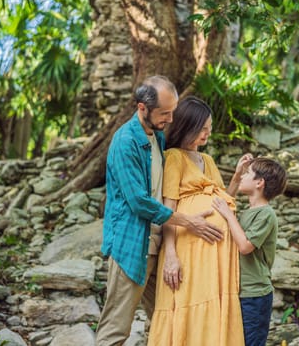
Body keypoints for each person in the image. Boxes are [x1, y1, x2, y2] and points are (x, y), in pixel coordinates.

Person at [96, 76, 225, 346]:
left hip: (160, 248)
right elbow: (138, 201)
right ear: (143, 108)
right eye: (164, 113)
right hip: (131, 245)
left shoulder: (159, 138)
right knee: (116, 329)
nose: (170, 118)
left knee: (170, 322)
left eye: (173, 112)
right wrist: (188, 221)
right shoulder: (125, 142)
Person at [147, 96, 252, 346]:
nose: (207, 133)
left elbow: (224, 200)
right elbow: (168, 209)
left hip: (216, 256)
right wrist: (170, 254)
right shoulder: (173, 157)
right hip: (188, 248)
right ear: (188, 125)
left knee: (214, 305)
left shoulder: (208, 161)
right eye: (203, 128)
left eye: (209, 128)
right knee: (188, 303)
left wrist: (236, 178)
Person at [212, 157, 287, 346]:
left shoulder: (266, 214)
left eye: (248, 173)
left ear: (259, 183)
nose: (243, 176)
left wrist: (229, 215)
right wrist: (238, 173)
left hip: (255, 295)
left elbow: (245, 246)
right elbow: (227, 199)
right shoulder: (246, 212)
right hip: (240, 292)